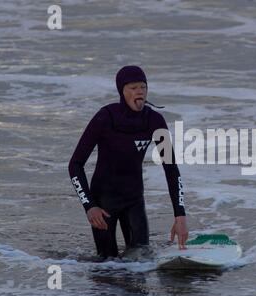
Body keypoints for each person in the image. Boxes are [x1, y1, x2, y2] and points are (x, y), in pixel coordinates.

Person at [68, 65, 188, 259]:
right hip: (103, 202)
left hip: (134, 199)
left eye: (143, 87)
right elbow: (75, 165)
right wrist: (89, 206)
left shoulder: (154, 121)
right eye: (133, 87)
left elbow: (171, 169)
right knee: (106, 265)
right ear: (121, 91)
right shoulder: (105, 118)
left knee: (141, 261)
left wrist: (180, 215)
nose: (139, 91)